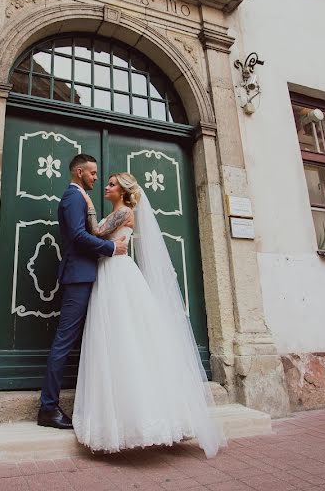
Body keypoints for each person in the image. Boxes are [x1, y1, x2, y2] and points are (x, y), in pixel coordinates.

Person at [73, 172, 225, 458]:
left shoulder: (124, 213)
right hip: (109, 273)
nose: (106, 186)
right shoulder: (118, 211)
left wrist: (85, 201)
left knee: (126, 336)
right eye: (106, 183)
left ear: (124, 190)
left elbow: (94, 232)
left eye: (112, 184)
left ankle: (140, 419)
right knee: (115, 338)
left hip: (118, 275)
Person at [37, 154, 128, 430]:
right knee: (64, 340)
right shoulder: (74, 197)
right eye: (92, 173)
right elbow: (77, 235)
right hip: (78, 275)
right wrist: (112, 248)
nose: (96, 178)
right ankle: (48, 408)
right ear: (79, 172)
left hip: (88, 275)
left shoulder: (79, 198)